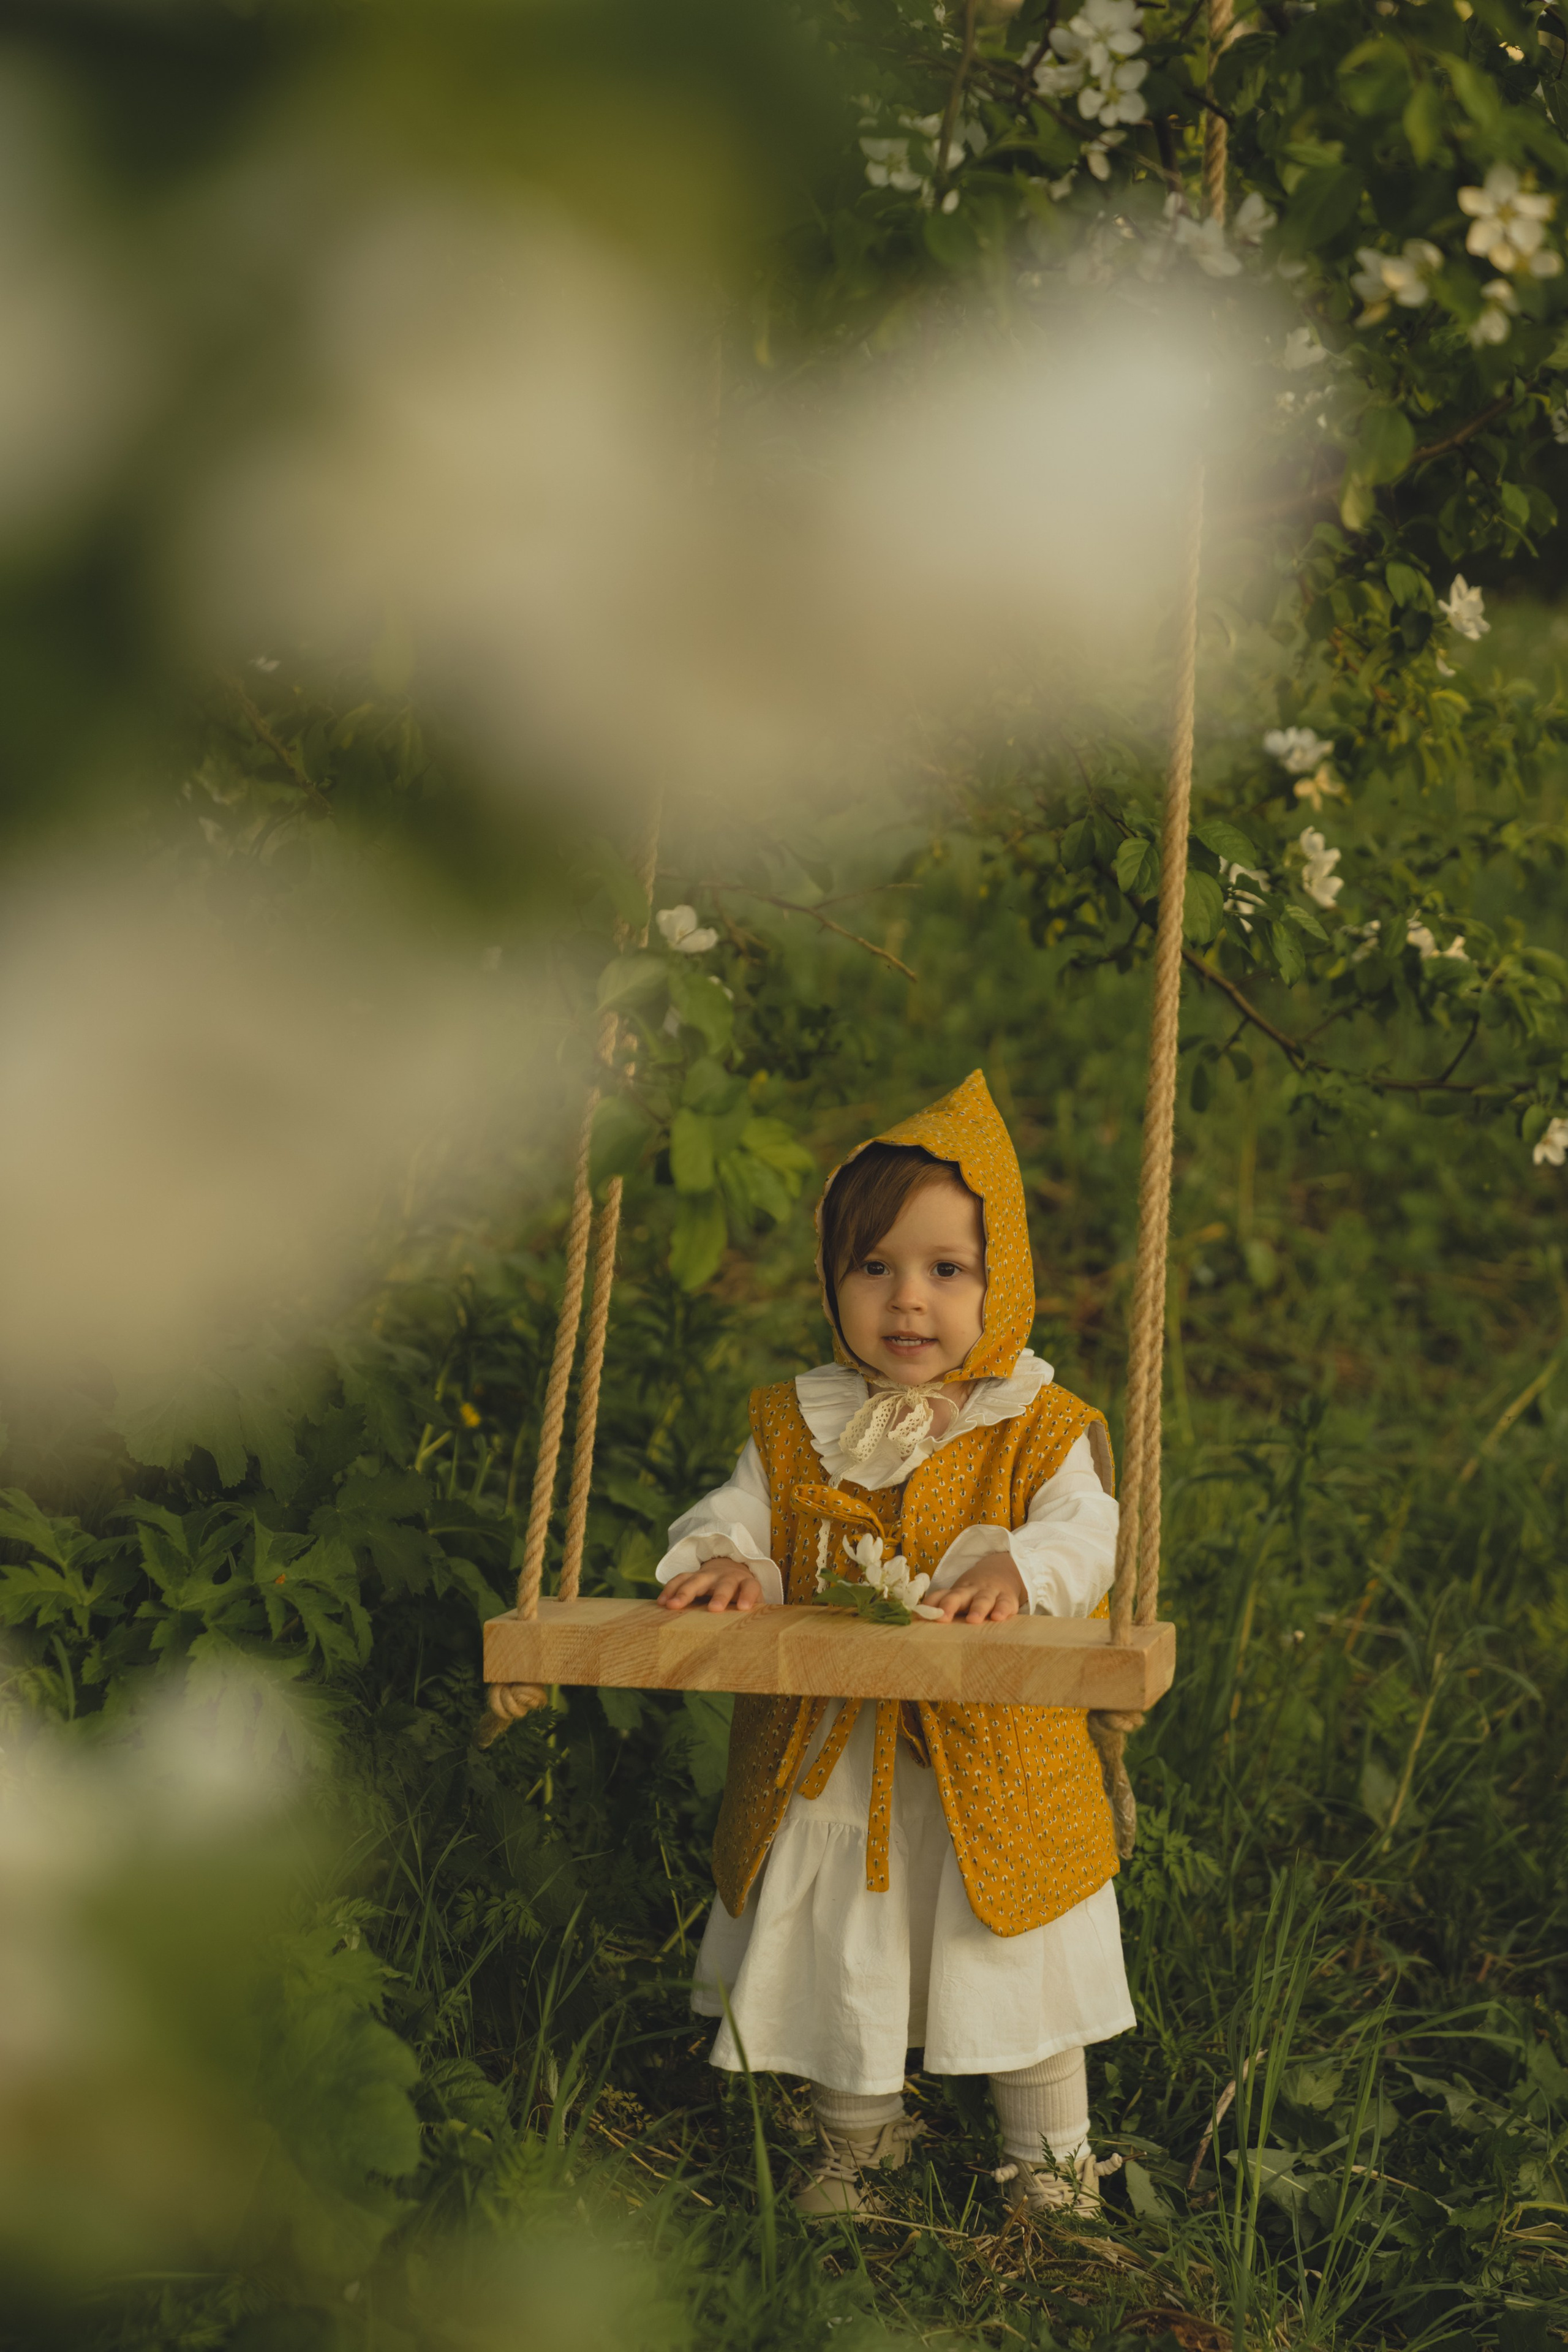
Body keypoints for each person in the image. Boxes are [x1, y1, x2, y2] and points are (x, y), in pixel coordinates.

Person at [654, 1070, 1132, 2218]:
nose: (907, 1300)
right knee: (844, 1948)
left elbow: (1087, 1534)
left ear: (999, 1279)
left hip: (994, 1756)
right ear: (833, 1283)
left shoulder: (1039, 1426)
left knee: (1014, 1940)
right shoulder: (796, 1422)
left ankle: (1049, 2161)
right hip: (836, 1754)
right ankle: (857, 2151)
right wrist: (733, 1564)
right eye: (874, 1267)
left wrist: (1022, 1567)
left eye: (946, 1270)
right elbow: (747, 1522)